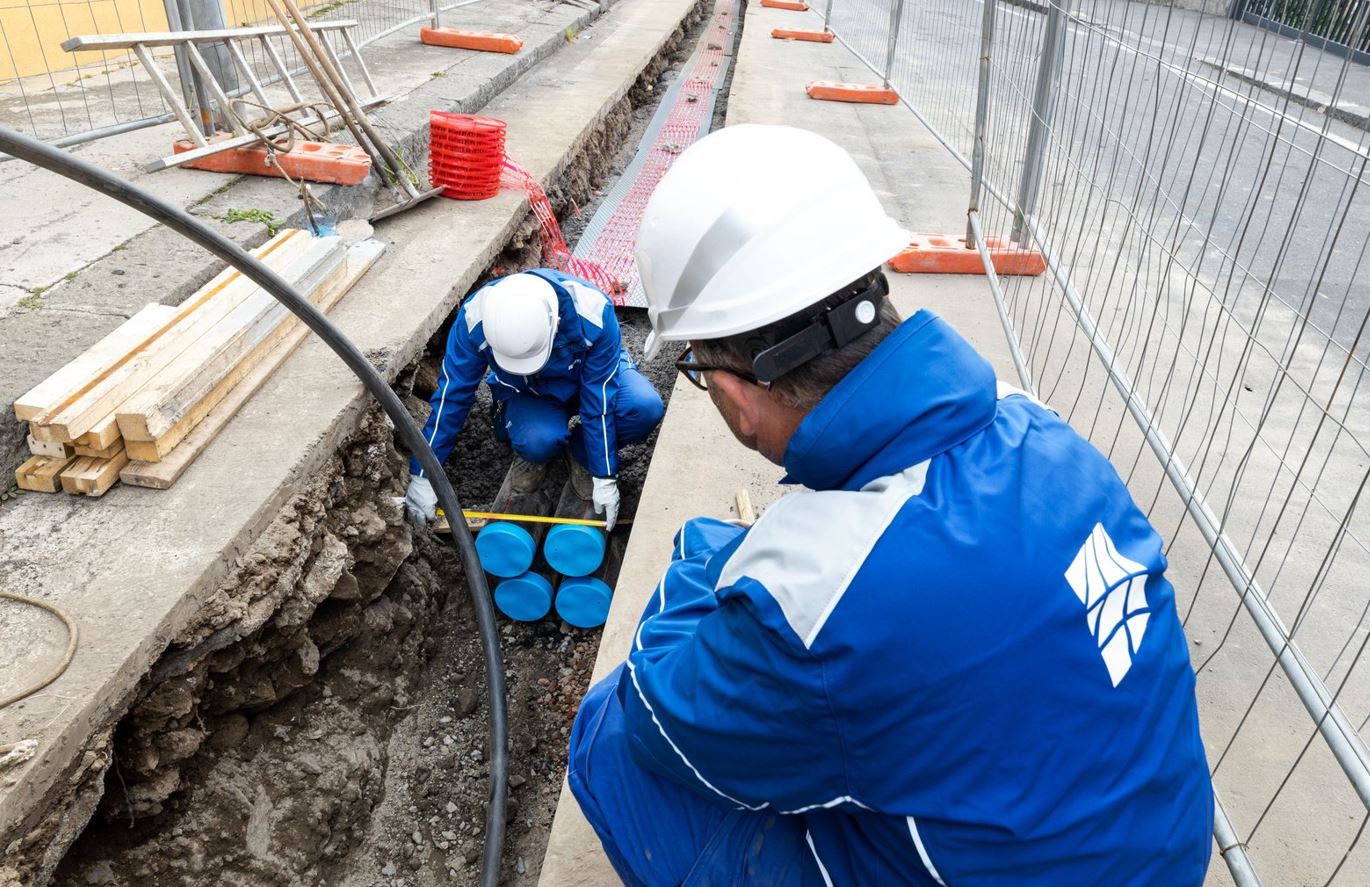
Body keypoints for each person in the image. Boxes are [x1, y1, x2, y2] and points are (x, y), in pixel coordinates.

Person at [566, 124, 1213, 885]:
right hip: (1160, 852)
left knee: (610, 731)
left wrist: (696, 572)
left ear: (738, 395)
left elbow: (658, 717)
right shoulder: (1036, 425)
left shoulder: (823, 591)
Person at [403, 269, 664, 530]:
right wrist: (424, 474)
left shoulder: (592, 313)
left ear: (556, 322)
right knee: (537, 442)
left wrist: (603, 473)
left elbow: (600, 399)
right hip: (528, 390)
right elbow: (452, 396)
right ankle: (538, 451)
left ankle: (582, 454)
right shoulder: (475, 320)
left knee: (643, 408)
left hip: (590, 373)